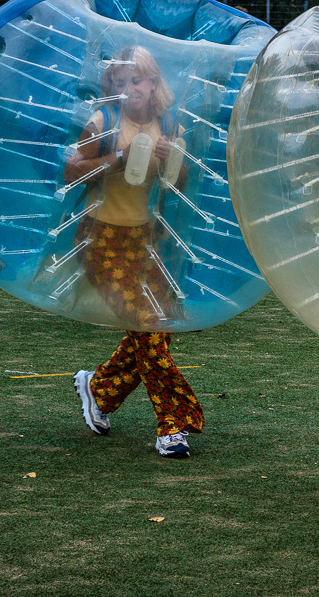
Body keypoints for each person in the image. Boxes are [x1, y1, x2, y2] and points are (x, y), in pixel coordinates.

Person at [68, 46, 202, 459]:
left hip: (145, 241)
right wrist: (120, 156)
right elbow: (72, 169)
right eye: (120, 82)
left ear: (154, 82)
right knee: (147, 329)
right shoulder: (103, 120)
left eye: (137, 80)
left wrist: (170, 160)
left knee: (154, 331)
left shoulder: (170, 122)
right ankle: (173, 424)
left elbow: (179, 181)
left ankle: (99, 389)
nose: (130, 90)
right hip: (100, 239)